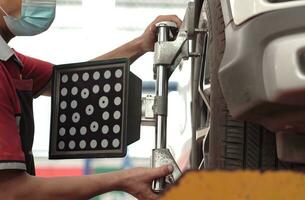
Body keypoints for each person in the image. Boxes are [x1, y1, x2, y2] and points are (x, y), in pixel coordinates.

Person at [0, 0, 182, 199]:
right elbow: (11, 191)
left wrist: (141, 44)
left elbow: (75, 82)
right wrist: (123, 179)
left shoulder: (10, 62)